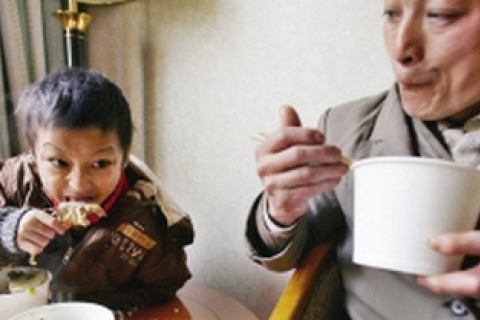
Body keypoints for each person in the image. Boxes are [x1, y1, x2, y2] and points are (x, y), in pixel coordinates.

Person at [245, 1, 480, 319]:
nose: (401, 49)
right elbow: (285, 254)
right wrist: (280, 210)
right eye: (392, 14)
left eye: (441, 15)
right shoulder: (346, 127)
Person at [0, 67, 194, 311]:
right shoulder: (16, 181)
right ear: (35, 158)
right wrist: (9, 225)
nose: (79, 184)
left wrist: (90, 307)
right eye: (59, 163)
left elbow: (163, 287)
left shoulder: (144, 222)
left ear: (124, 160)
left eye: (100, 164)